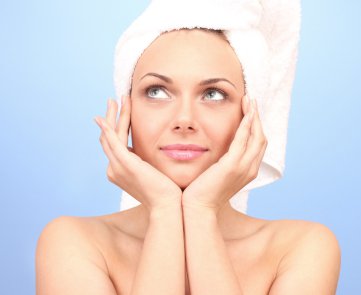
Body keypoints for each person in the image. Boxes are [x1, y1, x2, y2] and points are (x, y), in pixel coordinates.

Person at [36, 2, 341, 295]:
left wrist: (201, 210)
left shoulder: (301, 249)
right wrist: (164, 208)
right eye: (156, 91)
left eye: (213, 94)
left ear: (250, 118)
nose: (184, 120)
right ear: (126, 115)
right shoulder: (73, 243)